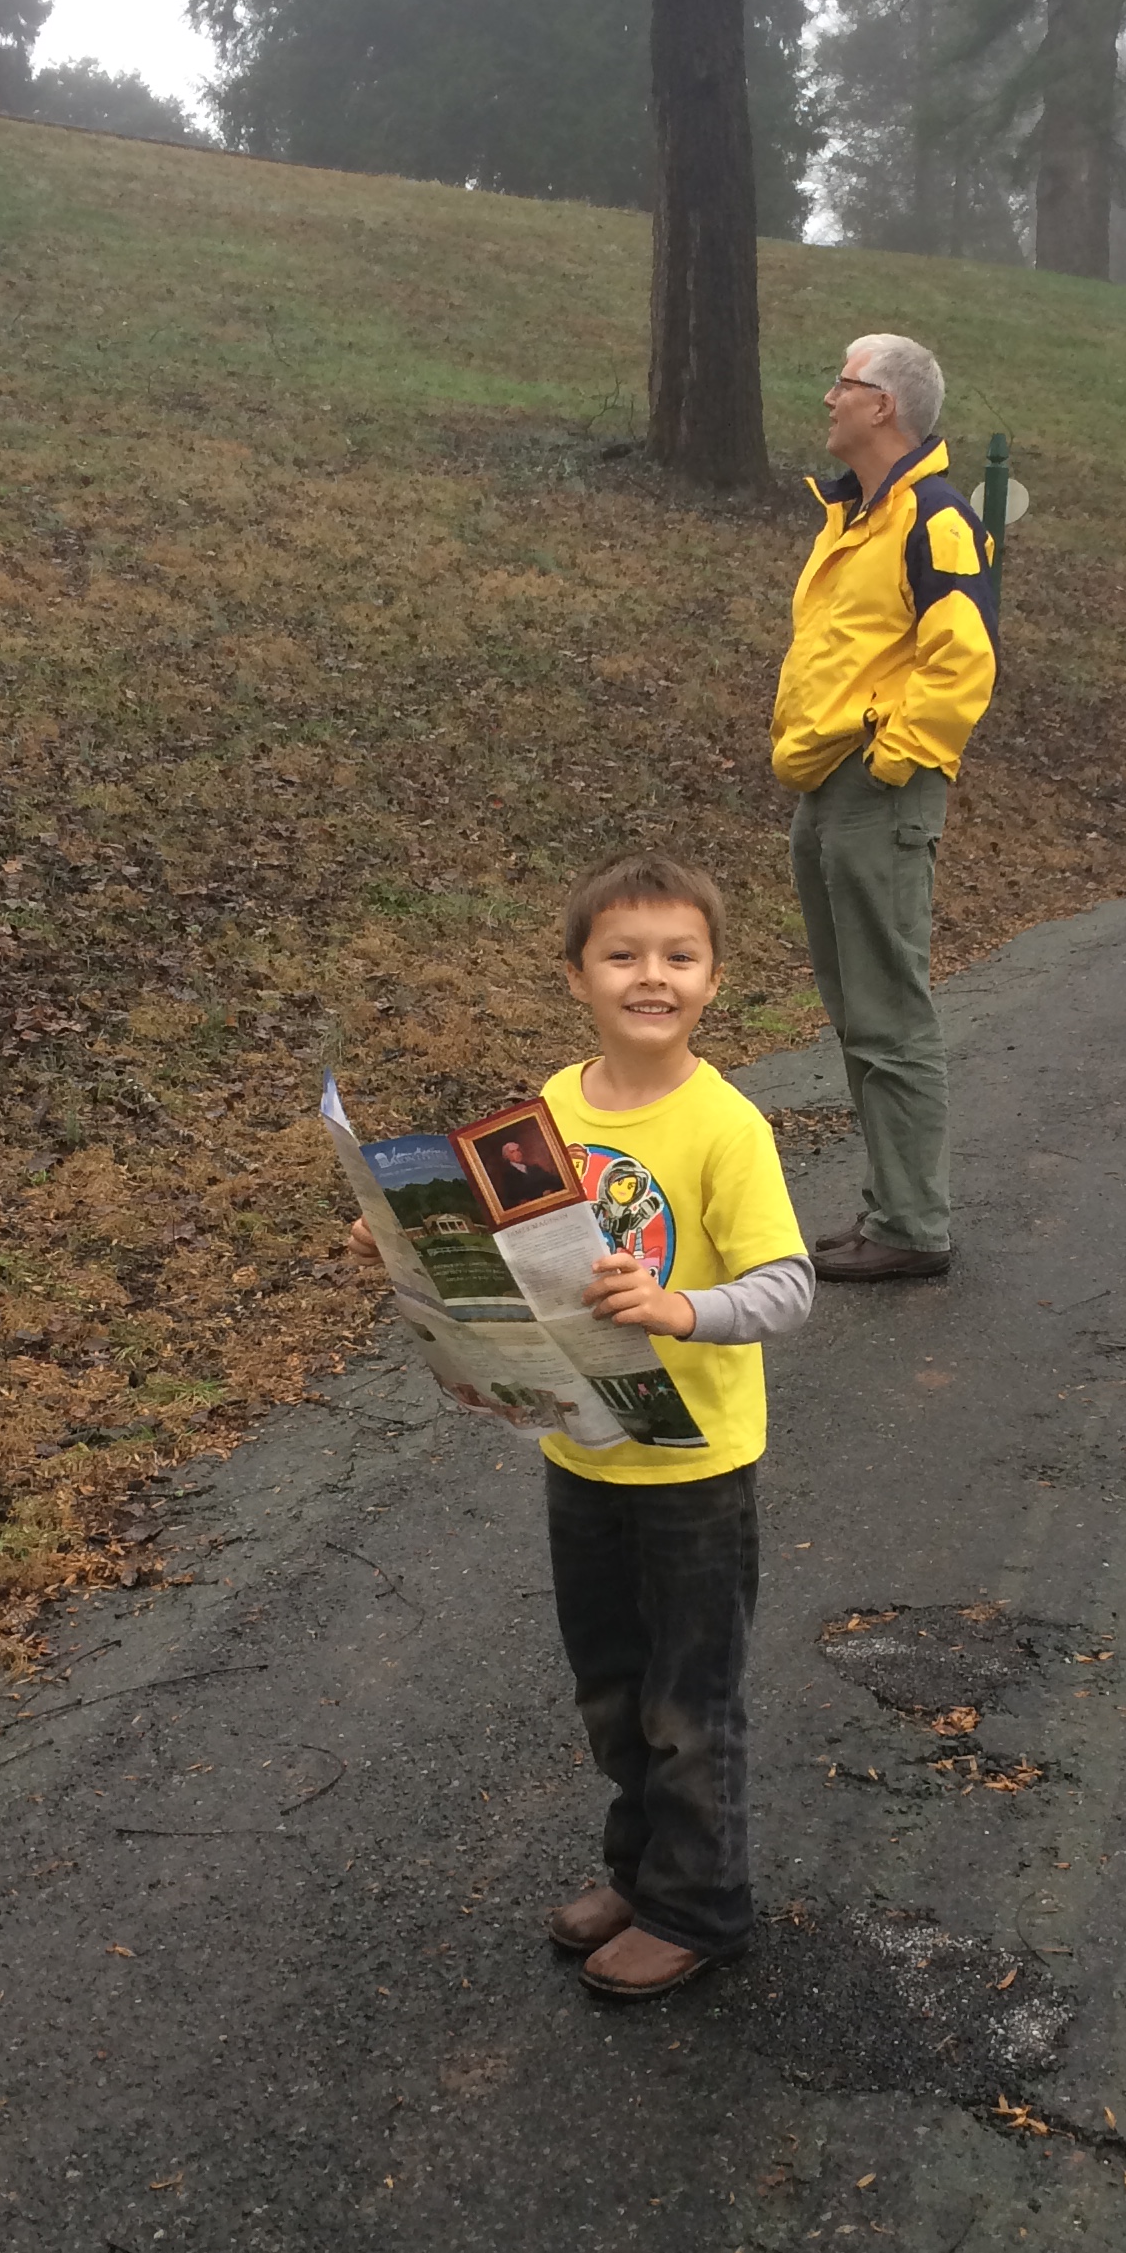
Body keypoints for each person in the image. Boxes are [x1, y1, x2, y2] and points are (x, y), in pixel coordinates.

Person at [347, 857, 812, 1999]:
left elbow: (788, 1287)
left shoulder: (726, 1127)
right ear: (576, 976)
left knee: (686, 1700)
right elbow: (510, 1254)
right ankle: (641, 1874)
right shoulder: (552, 1106)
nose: (651, 976)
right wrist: (409, 1247)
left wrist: (679, 1308)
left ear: (713, 979)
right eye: (622, 955)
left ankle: (701, 1907)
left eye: (679, 956)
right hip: (584, 1444)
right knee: (609, 1682)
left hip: (694, 1466)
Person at [773, 331, 997, 1282]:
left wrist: (892, 760)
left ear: (884, 405)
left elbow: (965, 659)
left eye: (844, 382)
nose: (829, 397)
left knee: (889, 1011)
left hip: (876, 786)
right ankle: (891, 1209)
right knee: (855, 1007)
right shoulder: (857, 517)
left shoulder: (935, 518)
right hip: (827, 781)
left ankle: (911, 1225)